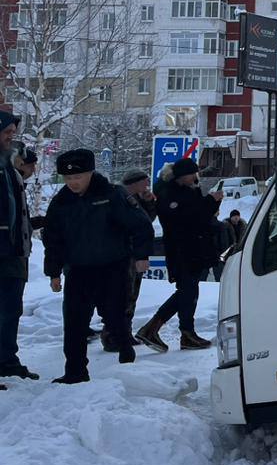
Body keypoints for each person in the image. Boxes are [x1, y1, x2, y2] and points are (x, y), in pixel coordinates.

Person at [42, 149, 152, 384]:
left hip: (112, 267)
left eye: (77, 177)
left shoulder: (112, 195)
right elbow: (53, 239)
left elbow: (141, 225)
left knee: (114, 317)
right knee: (74, 322)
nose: (73, 183)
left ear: (90, 173)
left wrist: (142, 255)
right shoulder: (61, 202)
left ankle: (126, 357)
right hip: (78, 270)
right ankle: (75, 371)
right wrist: (53, 271)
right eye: (68, 178)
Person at [136, 158, 221, 352]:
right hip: (183, 250)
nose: (195, 177)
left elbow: (200, 216)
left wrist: (212, 204)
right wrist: (210, 201)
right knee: (187, 290)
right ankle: (169, 330)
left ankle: (171, 330)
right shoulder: (169, 194)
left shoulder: (187, 190)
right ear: (182, 175)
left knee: (188, 291)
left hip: (194, 248)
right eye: (192, 174)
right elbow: (188, 218)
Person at [100, 169, 158, 352]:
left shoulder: (137, 200)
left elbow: (146, 222)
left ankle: (124, 332)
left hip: (135, 254)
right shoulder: (119, 198)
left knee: (131, 295)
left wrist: (149, 204)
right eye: (144, 183)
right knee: (122, 294)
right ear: (135, 183)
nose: (147, 186)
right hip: (122, 254)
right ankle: (112, 334)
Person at [0, 113, 36, 384]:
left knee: (11, 309)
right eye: (6, 132)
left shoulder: (8, 167)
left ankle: (6, 361)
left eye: (12, 131)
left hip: (13, 253)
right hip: (3, 252)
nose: (11, 136)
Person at [212, 209, 247, 281]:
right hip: (226, 252)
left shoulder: (243, 226)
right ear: (231, 217)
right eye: (234, 216)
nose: (236, 218)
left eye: (237, 216)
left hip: (238, 253)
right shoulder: (224, 226)